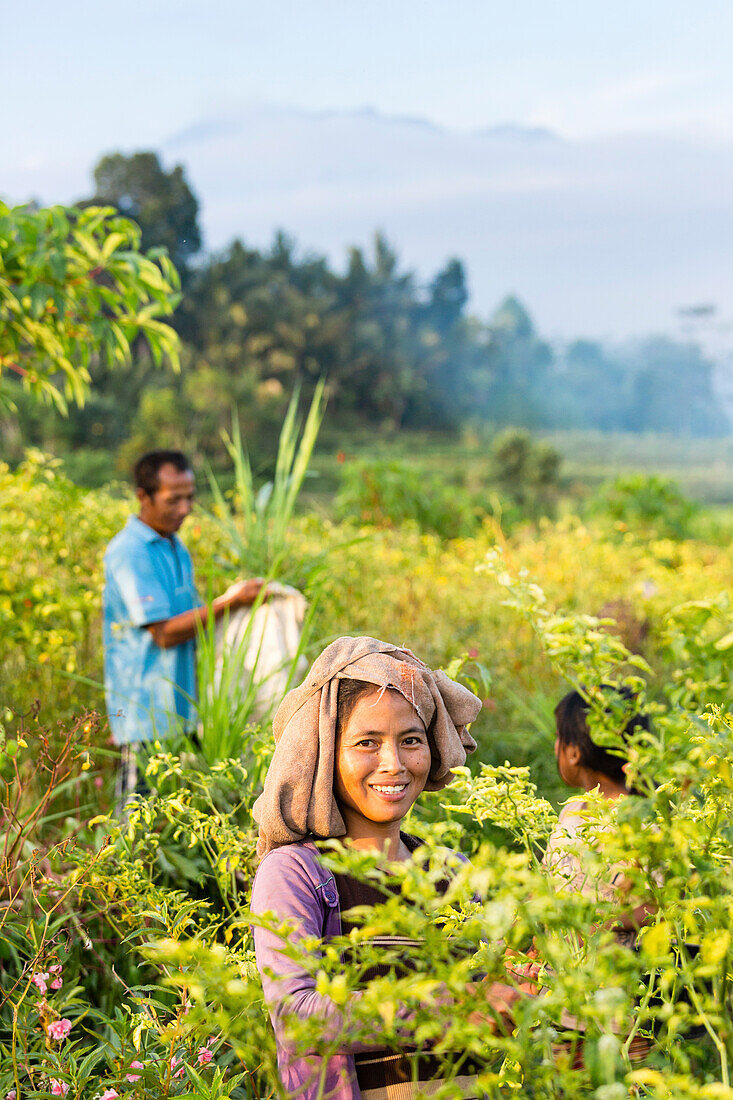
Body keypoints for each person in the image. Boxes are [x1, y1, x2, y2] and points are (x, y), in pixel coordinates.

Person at [250, 635, 519, 1100]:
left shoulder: (454, 874)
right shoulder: (297, 874)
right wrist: (452, 1005)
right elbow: (299, 1017)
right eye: (367, 742)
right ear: (324, 754)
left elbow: (494, 1000)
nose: (393, 763)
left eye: (410, 740)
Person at [103, 450, 264, 795]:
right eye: (173, 499)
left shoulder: (174, 546)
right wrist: (229, 602)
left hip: (180, 705)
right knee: (135, 816)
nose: (185, 508)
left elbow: (193, 621)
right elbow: (162, 633)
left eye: (190, 497)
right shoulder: (130, 552)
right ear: (143, 497)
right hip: (144, 709)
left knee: (174, 814)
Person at [543, 688, 654, 948]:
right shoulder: (571, 812)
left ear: (573, 752)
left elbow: (661, 904)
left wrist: (598, 925)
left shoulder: (641, 819)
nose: (555, 746)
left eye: (559, 737)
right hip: (563, 967)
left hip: (623, 974)